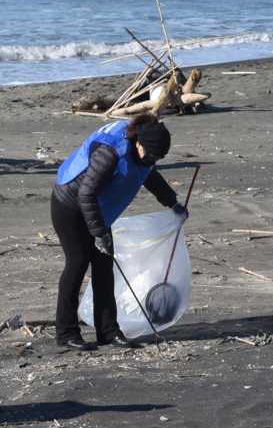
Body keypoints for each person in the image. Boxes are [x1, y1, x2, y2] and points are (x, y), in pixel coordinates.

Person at [50, 116, 183, 351]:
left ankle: (108, 332)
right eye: (150, 155)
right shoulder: (110, 153)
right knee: (78, 262)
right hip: (69, 204)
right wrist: (99, 234)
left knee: (104, 265)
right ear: (138, 143)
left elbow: (149, 175)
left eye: (157, 158)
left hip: (97, 209)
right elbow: (86, 194)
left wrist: (172, 203)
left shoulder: (144, 151)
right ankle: (66, 332)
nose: (152, 160)